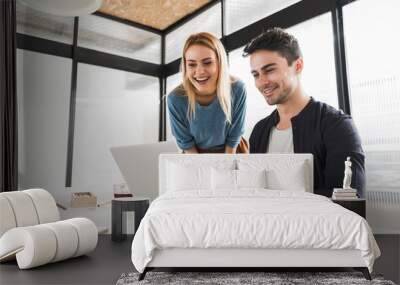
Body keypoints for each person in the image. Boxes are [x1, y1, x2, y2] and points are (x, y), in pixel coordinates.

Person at [243, 27, 365, 197]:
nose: (262, 82)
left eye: (270, 70)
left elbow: (349, 199)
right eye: (256, 74)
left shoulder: (336, 126)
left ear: (298, 66)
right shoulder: (259, 131)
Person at [167, 32, 248, 154]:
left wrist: (227, 165)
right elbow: (186, 143)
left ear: (220, 63)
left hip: (232, 150)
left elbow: (235, 135)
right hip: (194, 154)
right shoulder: (175, 99)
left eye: (207, 62)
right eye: (192, 64)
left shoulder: (237, 89)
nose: (199, 72)